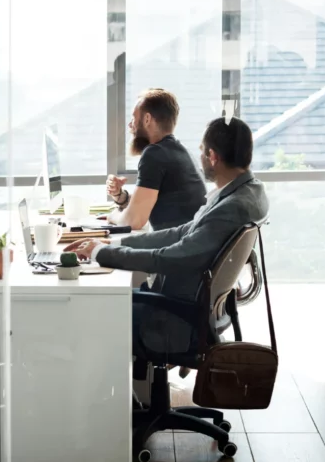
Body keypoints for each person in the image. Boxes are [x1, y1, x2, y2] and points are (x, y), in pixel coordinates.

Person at [67, 117, 269, 362]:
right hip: (194, 308)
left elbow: (172, 257)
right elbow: (181, 232)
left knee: (87, 307)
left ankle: (105, 397)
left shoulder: (233, 206)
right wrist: (115, 245)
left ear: (213, 156)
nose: (201, 159)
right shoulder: (248, 191)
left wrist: (101, 254)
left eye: (202, 153)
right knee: (109, 296)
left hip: (176, 320)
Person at [106, 89, 207, 231]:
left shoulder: (154, 153)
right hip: (188, 241)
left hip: (177, 247)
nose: (130, 125)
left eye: (134, 118)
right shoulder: (179, 151)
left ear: (147, 119)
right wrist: (121, 197)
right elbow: (149, 203)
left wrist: (113, 216)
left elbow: (134, 221)